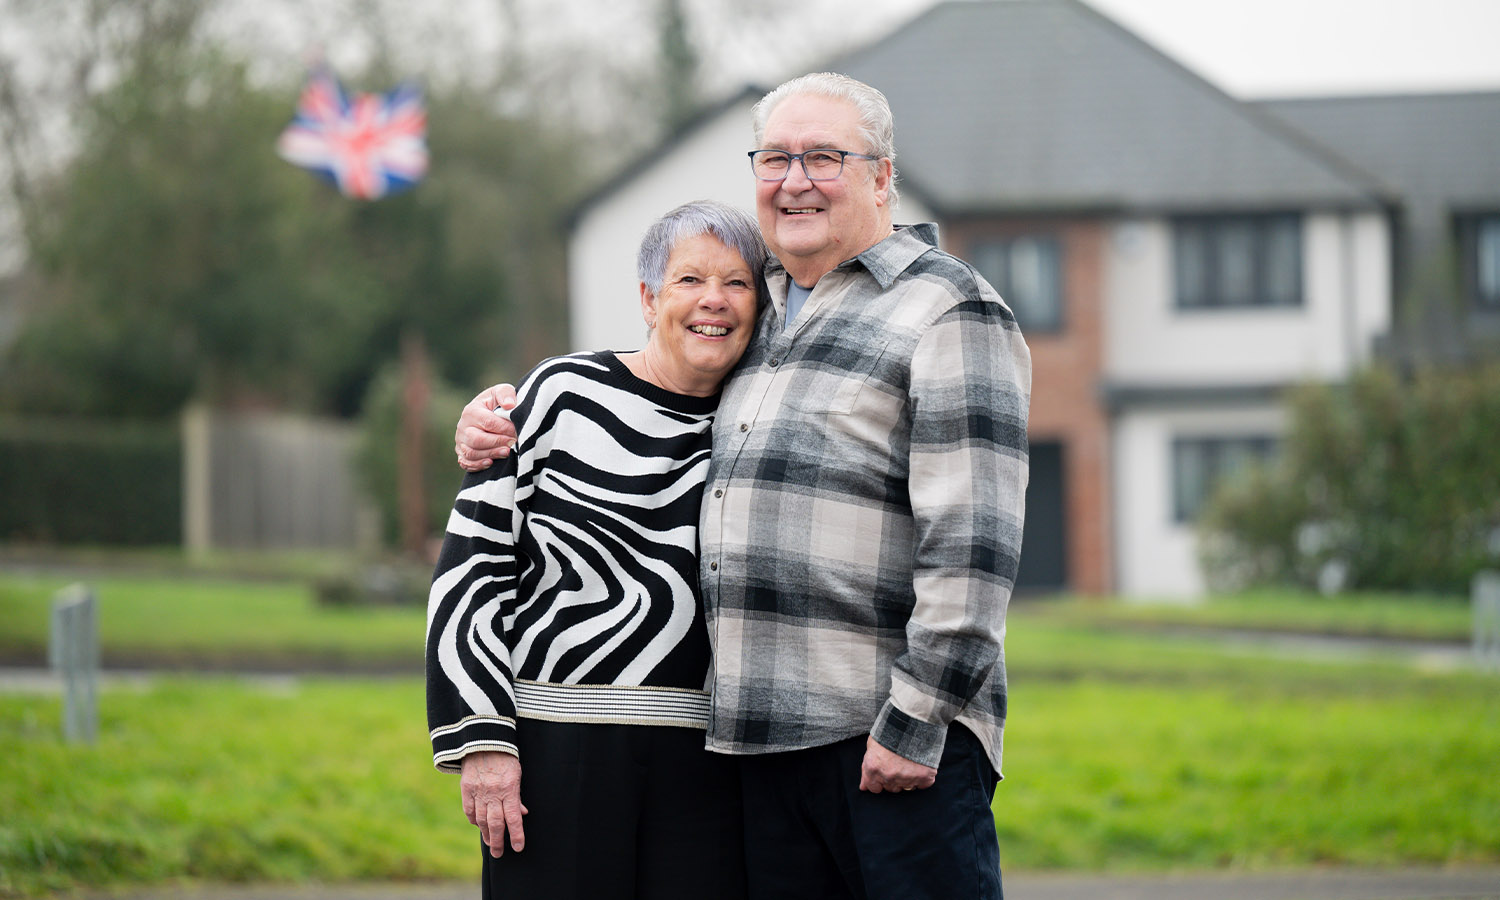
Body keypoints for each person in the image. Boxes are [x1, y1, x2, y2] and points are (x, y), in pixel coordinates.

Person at [456, 73, 1031, 900]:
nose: (795, 180)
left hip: (888, 749)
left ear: (882, 176)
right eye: (775, 158)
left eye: (825, 157)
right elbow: (661, 364)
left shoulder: (947, 310)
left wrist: (918, 722)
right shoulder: (759, 309)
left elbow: (973, 546)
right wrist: (500, 416)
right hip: (759, 757)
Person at [428, 200, 767, 900]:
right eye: (689, 281)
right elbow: (471, 573)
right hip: (556, 748)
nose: (715, 301)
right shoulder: (560, 394)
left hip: (710, 765)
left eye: (737, 283)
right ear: (648, 299)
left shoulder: (761, 420)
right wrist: (483, 739)